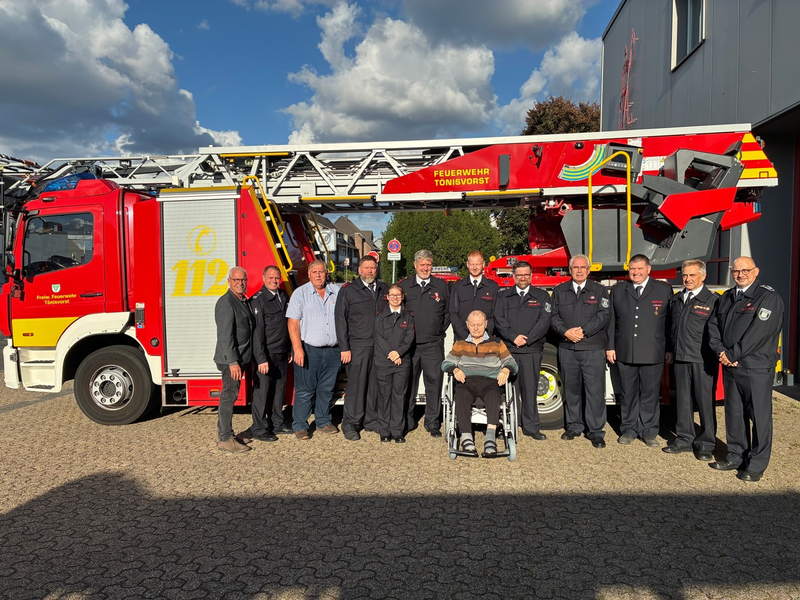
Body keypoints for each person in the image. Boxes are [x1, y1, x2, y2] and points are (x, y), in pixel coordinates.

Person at [707, 256, 784, 482]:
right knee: (735, 413)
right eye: (736, 271)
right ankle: (736, 455)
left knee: (759, 416)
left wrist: (732, 354)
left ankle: (756, 463)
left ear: (756, 271)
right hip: (731, 366)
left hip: (755, 367)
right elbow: (713, 325)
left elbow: (758, 333)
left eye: (745, 270)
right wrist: (721, 351)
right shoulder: (728, 297)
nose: (740, 274)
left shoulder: (768, 297)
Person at [606, 254, 672, 447]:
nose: (635, 272)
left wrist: (669, 348)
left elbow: (669, 323)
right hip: (626, 350)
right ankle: (628, 429)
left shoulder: (663, 289)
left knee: (650, 393)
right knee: (628, 393)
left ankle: (649, 431)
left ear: (649, 269)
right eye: (632, 269)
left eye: (640, 268)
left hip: (653, 351)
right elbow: (612, 321)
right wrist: (610, 346)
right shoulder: (619, 290)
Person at [550, 254, 611, 448]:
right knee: (571, 389)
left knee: (594, 391)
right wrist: (565, 332)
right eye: (575, 267)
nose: (578, 270)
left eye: (582, 267)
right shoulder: (560, 291)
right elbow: (552, 316)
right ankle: (574, 426)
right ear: (569, 270)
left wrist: (583, 331)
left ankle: (595, 431)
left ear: (588, 270)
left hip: (592, 348)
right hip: (568, 347)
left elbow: (604, 315)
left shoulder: (599, 290)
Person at [442, 310, 518, 456]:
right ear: (467, 325)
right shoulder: (460, 344)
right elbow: (446, 363)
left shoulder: (496, 343)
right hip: (467, 381)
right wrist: (455, 369)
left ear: (486, 324)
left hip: (490, 381)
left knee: (494, 395)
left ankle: (490, 437)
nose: (476, 328)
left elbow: (512, 363)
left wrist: (506, 370)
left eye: (479, 324)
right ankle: (466, 437)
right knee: (461, 394)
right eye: (472, 325)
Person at [663, 259, 719, 460]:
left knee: (704, 402)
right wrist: (670, 350)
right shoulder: (677, 300)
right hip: (680, 357)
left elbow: (717, 333)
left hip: (702, 360)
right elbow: (671, 328)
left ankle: (706, 443)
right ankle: (684, 439)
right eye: (685, 275)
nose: (687, 279)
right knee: (683, 401)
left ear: (703, 276)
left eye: (692, 275)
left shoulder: (712, 301)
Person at [494, 260, 551, 440]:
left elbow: (544, 321)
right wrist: (513, 337)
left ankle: (531, 427)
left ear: (531, 275)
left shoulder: (542, 296)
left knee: (530, 389)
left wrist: (528, 338)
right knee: (509, 390)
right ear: (513, 276)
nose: (523, 278)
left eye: (526, 274)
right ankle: (509, 426)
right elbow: (499, 319)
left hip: (531, 350)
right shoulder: (504, 296)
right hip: (509, 350)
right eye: (519, 275)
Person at [286, 259, 342, 440]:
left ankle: (323, 421)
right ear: (309, 275)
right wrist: (298, 349)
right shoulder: (300, 293)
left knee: (326, 389)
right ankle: (300, 425)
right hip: (309, 350)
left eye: (322, 272)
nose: (318, 275)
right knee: (305, 390)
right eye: (315, 272)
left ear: (327, 273)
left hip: (333, 350)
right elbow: (293, 322)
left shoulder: (337, 292)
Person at [335, 255, 388, 441]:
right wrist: (344, 348)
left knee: (374, 385)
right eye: (366, 268)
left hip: (379, 347)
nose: (370, 271)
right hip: (357, 346)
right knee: (356, 386)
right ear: (359, 270)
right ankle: (350, 423)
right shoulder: (349, 291)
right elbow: (340, 320)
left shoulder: (384, 289)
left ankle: (370, 420)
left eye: (373, 268)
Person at [400, 249, 450, 437]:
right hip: (410, 346)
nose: (425, 268)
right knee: (408, 383)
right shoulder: (405, 286)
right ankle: (408, 419)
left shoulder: (441, 286)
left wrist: (436, 330)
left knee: (434, 383)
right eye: (422, 264)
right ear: (415, 265)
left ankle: (432, 422)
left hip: (433, 345)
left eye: (428, 264)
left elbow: (447, 314)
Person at [213, 266, 255, 453]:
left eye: (243, 280)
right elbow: (225, 336)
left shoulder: (241, 300)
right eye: (236, 280)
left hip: (240, 357)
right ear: (229, 281)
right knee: (229, 395)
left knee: (230, 395)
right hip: (231, 359)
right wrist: (232, 362)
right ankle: (225, 438)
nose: (240, 283)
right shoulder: (226, 303)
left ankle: (224, 433)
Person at [249, 265, 292, 442]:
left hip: (281, 352)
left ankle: (277, 423)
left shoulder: (283, 296)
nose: (274, 281)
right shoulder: (258, 300)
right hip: (266, 355)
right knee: (262, 392)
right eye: (271, 278)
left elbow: (288, 325)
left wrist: (289, 348)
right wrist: (260, 358)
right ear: (263, 278)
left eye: (277, 278)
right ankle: (259, 428)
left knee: (278, 391)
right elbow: (257, 333)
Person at [373, 284, 415, 443]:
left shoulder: (408, 316)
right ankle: (384, 431)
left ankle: (397, 431)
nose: (395, 298)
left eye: (398, 295)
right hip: (384, 362)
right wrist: (391, 353)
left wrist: (399, 353)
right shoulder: (380, 315)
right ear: (387, 297)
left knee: (399, 396)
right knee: (384, 397)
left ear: (402, 297)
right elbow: (378, 337)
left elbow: (409, 338)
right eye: (392, 295)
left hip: (402, 362)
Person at [449, 251, 499, 340]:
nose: (475, 267)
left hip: (485, 339)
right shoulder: (458, 286)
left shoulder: (493, 287)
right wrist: (465, 335)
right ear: (467, 264)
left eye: (477, 264)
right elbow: (453, 313)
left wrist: (484, 334)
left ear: (483, 264)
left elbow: (496, 314)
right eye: (472, 264)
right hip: (462, 339)